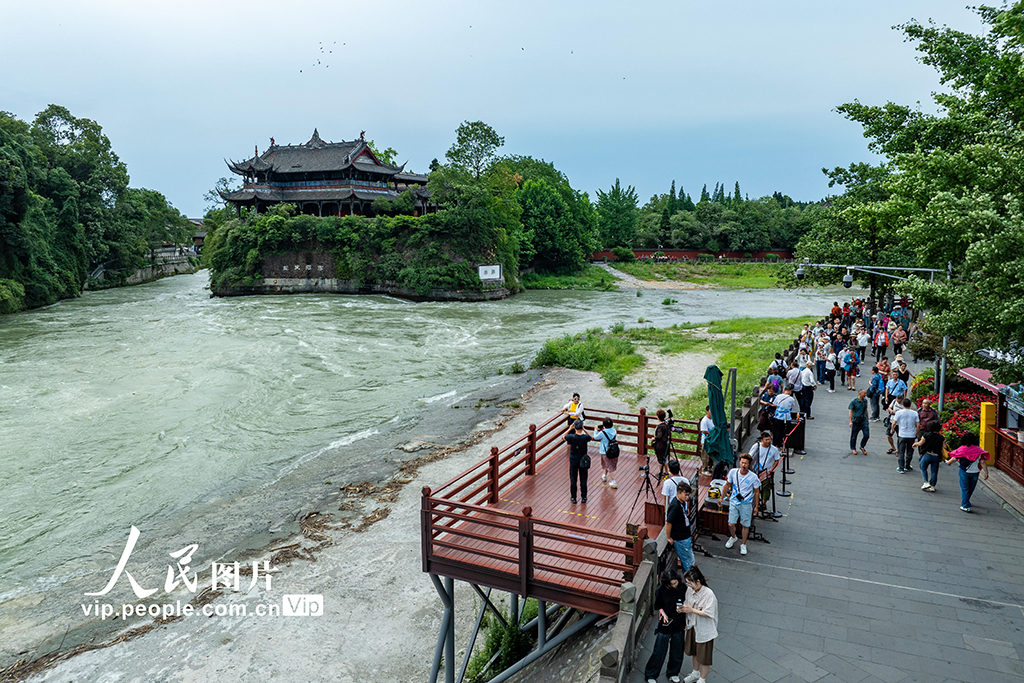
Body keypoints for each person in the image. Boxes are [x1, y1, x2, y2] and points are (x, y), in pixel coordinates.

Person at [644, 567, 687, 683]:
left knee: (677, 650)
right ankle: (651, 674)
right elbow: (658, 605)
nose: (674, 585)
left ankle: (673, 673)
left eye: (675, 583)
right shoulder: (661, 590)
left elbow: (688, 603)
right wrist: (663, 613)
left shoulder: (683, 588)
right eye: (671, 584)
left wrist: (686, 620)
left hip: (679, 622)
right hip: (666, 623)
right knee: (659, 650)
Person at [680, 565, 718, 683]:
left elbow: (708, 612)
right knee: (694, 651)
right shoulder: (690, 590)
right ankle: (695, 673)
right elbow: (687, 602)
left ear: (698, 581)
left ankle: (702, 679)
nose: (689, 586)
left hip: (705, 628)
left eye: (690, 583)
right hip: (693, 624)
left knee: (704, 656)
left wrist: (692, 610)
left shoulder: (709, 594)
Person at [722, 454, 760, 555]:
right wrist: (722, 497)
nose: (743, 465)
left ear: (749, 464)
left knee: (745, 524)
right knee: (731, 523)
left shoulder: (753, 477)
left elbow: (757, 491)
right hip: (734, 501)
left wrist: (756, 506)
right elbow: (727, 485)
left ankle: (743, 544)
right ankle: (733, 537)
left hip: (746, 503)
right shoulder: (733, 472)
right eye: (742, 462)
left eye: (746, 463)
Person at [946, 432, 990, 512]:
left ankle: (964, 505)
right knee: (971, 488)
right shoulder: (979, 450)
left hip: (964, 471)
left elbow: (955, 458)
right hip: (975, 472)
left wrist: (948, 462)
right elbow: (982, 462)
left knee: (964, 488)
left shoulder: (962, 449)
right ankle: (966, 501)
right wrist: (986, 472)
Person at [665, 479, 695, 572]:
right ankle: (689, 583)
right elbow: (668, 522)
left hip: (685, 536)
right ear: (678, 493)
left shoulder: (682, 503)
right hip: (681, 539)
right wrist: (668, 537)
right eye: (685, 495)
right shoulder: (675, 506)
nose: (687, 497)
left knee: (688, 562)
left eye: (688, 494)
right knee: (689, 563)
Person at [563, 419, 592, 504]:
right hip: (583, 460)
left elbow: (563, 437)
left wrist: (569, 429)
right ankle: (584, 497)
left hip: (573, 459)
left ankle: (573, 497)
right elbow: (591, 437)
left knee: (573, 478)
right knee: (583, 479)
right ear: (581, 427)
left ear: (574, 427)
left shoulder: (571, 437)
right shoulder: (585, 437)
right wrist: (585, 430)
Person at [913, 421, 946, 492]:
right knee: (934, 471)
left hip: (927, 454)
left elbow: (921, 443)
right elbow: (945, 447)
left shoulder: (926, 435)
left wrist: (915, 444)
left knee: (923, 467)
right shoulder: (941, 437)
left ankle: (925, 482)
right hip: (936, 456)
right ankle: (932, 486)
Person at [890, 398, 920, 473]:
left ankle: (901, 467)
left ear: (903, 404)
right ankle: (907, 465)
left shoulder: (899, 412)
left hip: (902, 434)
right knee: (910, 451)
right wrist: (917, 433)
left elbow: (894, 423)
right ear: (910, 405)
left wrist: (892, 429)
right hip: (911, 435)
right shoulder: (915, 413)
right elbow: (918, 425)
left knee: (901, 451)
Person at [595, 417, 619, 490]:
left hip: (605, 451)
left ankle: (613, 481)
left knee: (609, 466)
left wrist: (596, 430)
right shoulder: (614, 431)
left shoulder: (602, 433)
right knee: (607, 464)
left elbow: (595, 437)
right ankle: (604, 476)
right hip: (613, 450)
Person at [849, 389, 870, 455]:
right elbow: (850, 411)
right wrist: (850, 421)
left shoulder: (865, 401)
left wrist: (867, 418)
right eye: (864, 393)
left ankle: (862, 446)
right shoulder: (854, 402)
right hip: (856, 421)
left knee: (866, 435)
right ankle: (853, 448)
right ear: (859, 394)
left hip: (864, 420)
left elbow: (866, 410)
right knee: (854, 436)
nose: (865, 395)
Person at [654, 409, 671, 474]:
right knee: (665, 458)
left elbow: (659, 436)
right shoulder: (666, 425)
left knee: (660, 459)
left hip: (659, 445)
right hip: (665, 444)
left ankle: (661, 472)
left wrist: (653, 439)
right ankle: (666, 472)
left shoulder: (660, 427)